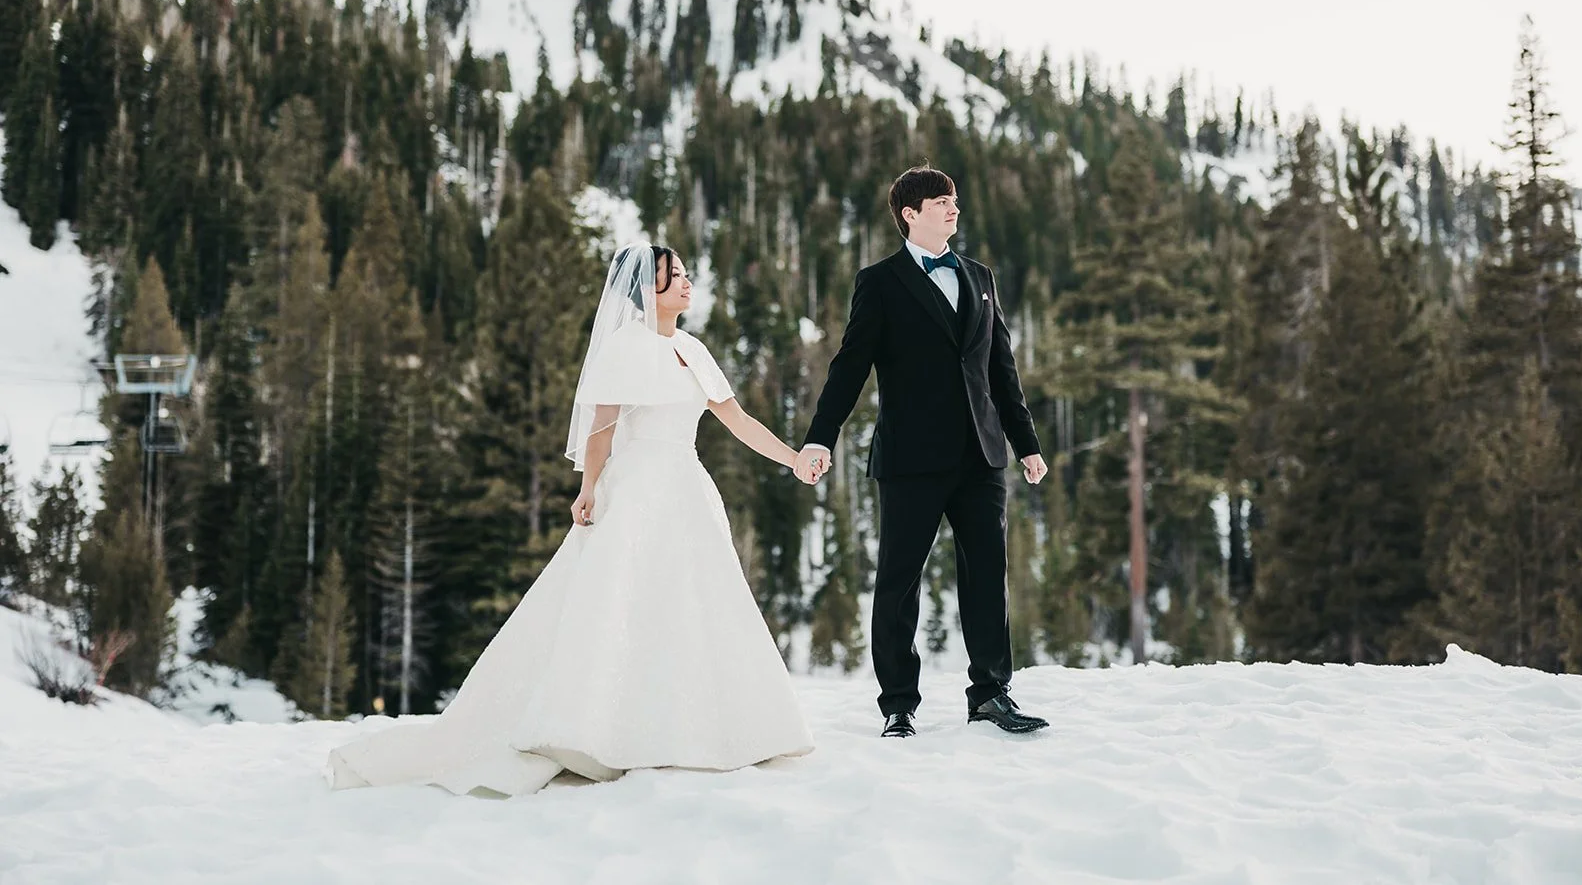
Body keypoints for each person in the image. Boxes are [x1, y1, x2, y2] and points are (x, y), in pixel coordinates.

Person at [326, 243, 815, 796]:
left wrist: (794, 459)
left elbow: (738, 419)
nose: (685, 283)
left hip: (687, 487)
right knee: (617, 602)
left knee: (693, 602)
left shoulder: (694, 350)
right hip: (634, 489)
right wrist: (587, 489)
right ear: (645, 293)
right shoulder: (625, 348)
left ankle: (703, 728)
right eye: (671, 276)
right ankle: (598, 727)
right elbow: (602, 429)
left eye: (683, 274)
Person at [797, 165, 1050, 738]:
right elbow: (850, 366)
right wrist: (820, 435)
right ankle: (897, 704)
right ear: (910, 215)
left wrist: (1026, 443)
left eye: (954, 199)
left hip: (981, 456)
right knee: (898, 582)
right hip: (911, 458)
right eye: (941, 202)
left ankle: (990, 693)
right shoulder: (880, 282)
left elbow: (1000, 370)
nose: (953, 208)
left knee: (987, 576)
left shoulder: (981, 277)